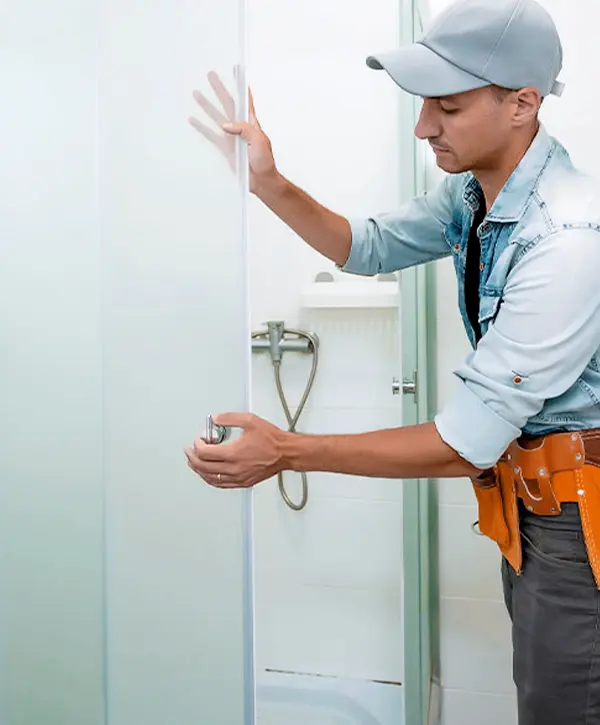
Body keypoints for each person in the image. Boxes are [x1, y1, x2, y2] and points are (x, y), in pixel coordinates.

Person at [185, 0, 600, 722]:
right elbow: (367, 245)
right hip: (531, 504)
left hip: (577, 522)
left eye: (448, 106)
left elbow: (463, 439)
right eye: (422, 105)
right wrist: (269, 182)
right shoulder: (474, 193)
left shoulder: (567, 238)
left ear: (522, 105)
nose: (422, 127)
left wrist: (285, 450)